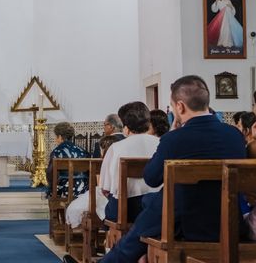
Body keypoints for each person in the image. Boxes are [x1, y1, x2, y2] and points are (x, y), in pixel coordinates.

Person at [64, 75, 246, 263]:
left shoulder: (174, 138)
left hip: (187, 223)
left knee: (157, 205)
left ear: (180, 107)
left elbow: (151, 178)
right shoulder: (235, 135)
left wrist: (173, 134)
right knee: (155, 202)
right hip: (231, 222)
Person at [100, 102, 161, 223]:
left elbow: (105, 188)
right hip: (159, 206)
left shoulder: (116, 148)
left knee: (105, 209)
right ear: (148, 123)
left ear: (125, 126)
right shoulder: (161, 143)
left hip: (127, 208)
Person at [65, 135, 119, 229]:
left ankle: (106, 227)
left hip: (107, 195)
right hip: (117, 195)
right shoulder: (119, 160)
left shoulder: (101, 163)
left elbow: (101, 185)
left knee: (79, 207)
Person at [46, 122, 89, 199]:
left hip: (63, 191)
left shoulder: (57, 152)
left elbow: (50, 174)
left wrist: (51, 187)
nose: (56, 139)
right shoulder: (82, 151)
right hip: (82, 190)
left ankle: (56, 209)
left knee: (50, 189)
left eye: (56, 137)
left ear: (59, 137)